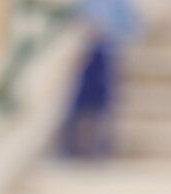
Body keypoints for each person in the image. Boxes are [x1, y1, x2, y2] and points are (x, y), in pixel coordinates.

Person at [59, 0, 141, 159]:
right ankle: (74, 148)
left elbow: (132, 28)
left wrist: (108, 32)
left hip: (107, 56)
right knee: (79, 104)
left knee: (103, 105)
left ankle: (100, 148)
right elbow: (73, 20)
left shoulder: (120, 4)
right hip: (86, 55)